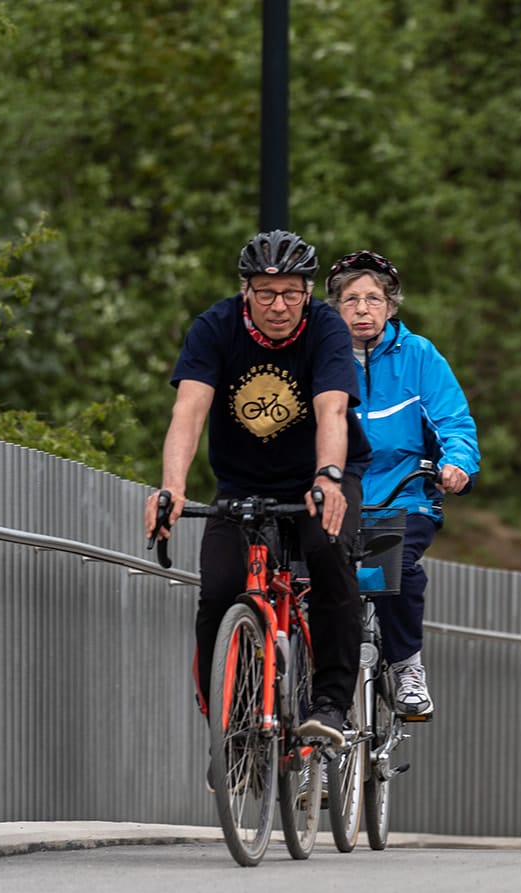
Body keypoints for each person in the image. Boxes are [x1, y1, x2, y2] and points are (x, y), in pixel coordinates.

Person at [144, 229, 370, 750]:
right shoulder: (215, 327)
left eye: (291, 293)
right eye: (266, 293)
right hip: (242, 481)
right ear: (245, 290)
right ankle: (230, 729)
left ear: (308, 293)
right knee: (219, 589)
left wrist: (328, 477)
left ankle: (331, 701)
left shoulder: (326, 329)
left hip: (318, 475)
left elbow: (332, 409)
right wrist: (172, 487)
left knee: (329, 554)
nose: (279, 305)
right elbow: (188, 410)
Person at [325, 249, 480, 722]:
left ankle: (407, 665)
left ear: (391, 306)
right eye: (351, 300)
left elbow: (453, 422)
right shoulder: (322, 356)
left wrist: (457, 464)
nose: (362, 309)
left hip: (404, 496)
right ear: (335, 308)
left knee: (398, 569)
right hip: (337, 499)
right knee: (315, 582)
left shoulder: (419, 356)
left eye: (373, 299)